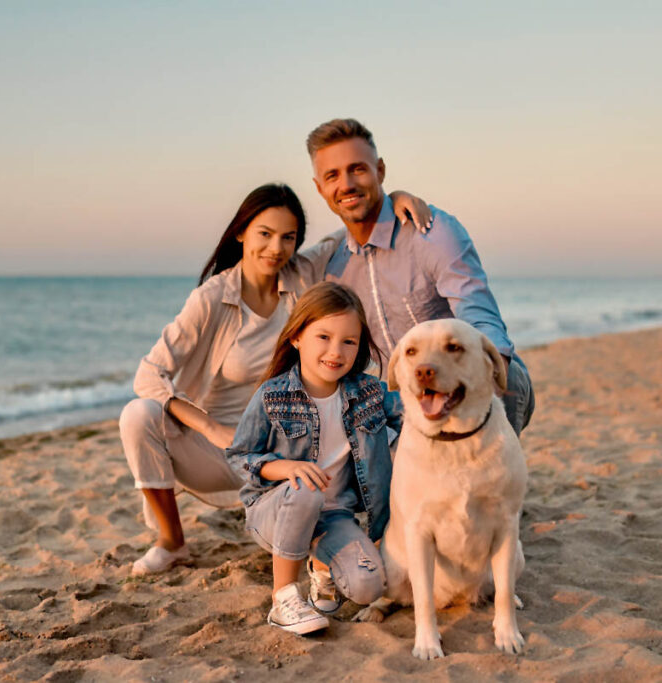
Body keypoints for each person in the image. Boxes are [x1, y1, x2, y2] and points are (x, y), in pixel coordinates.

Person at [119, 183, 428, 576]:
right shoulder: (212, 298)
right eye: (264, 233)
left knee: (380, 430)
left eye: (288, 237)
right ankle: (171, 541)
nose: (276, 248)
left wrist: (393, 198)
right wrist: (210, 427)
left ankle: (341, 535)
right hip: (225, 450)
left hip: (293, 451)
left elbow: (350, 229)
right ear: (241, 231)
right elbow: (149, 373)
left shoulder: (302, 275)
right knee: (138, 415)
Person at [307, 118, 534, 434]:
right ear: (320, 188)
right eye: (332, 175)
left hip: (464, 388)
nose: (346, 184)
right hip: (403, 405)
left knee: (500, 386)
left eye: (357, 169)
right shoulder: (333, 268)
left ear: (380, 171)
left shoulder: (433, 231)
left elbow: (482, 321)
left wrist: (487, 394)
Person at [225, 282, 399, 634]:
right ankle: (284, 600)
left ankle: (321, 567)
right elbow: (240, 456)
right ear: (296, 337)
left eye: (349, 341)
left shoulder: (369, 393)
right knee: (305, 488)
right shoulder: (273, 395)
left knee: (367, 587)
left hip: (334, 516)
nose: (336, 351)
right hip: (275, 509)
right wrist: (286, 468)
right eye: (323, 336)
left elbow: (416, 417)